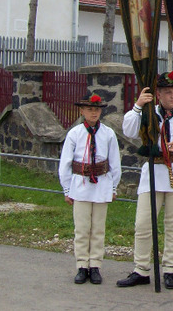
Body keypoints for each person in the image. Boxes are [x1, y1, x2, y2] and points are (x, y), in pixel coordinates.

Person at [117, 71, 173, 290]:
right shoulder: (148, 113)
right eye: (168, 92)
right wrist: (138, 105)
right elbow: (128, 130)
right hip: (154, 173)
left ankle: (170, 270)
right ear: (158, 94)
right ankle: (140, 269)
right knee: (143, 223)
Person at [59, 93, 121, 285]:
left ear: (101, 111)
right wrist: (67, 189)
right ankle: (81, 265)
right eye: (90, 109)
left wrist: (113, 187)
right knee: (82, 228)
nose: (94, 113)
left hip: (101, 184)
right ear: (82, 111)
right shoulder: (74, 133)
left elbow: (115, 163)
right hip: (81, 185)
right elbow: (65, 163)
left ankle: (95, 265)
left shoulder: (108, 134)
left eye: (97, 109)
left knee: (98, 228)